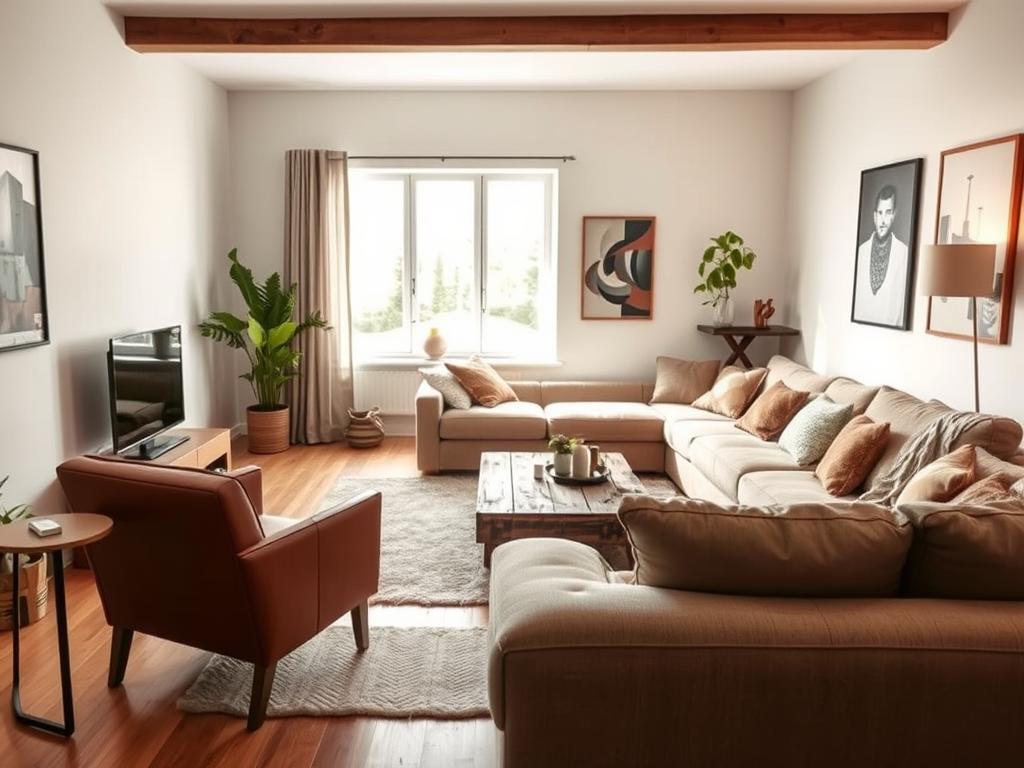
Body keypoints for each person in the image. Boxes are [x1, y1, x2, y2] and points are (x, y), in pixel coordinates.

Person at [854, 184, 909, 327]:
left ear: (894, 215)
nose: (883, 220)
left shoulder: (903, 253)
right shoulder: (861, 252)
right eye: (880, 213)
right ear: (874, 216)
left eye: (888, 212)